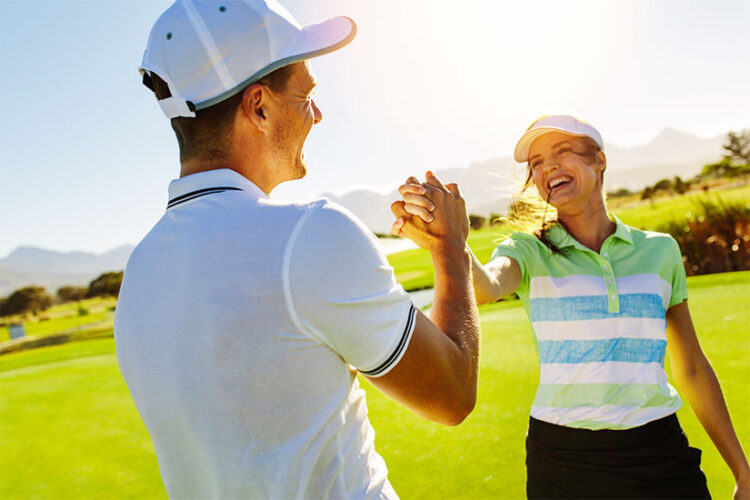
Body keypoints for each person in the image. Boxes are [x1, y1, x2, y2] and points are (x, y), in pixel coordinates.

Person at [114, 1, 479, 498]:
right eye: (306, 95)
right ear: (259, 106)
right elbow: (451, 394)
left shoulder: (140, 269)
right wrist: (451, 248)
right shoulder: (312, 233)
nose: (319, 114)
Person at [393, 115, 750, 499]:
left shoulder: (660, 249)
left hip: (659, 449)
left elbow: (693, 368)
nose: (547, 167)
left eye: (562, 152)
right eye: (536, 163)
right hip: (564, 459)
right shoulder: (528, 249)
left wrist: (742, 472)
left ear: (599, 160)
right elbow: (487, 285)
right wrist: (449, 243)